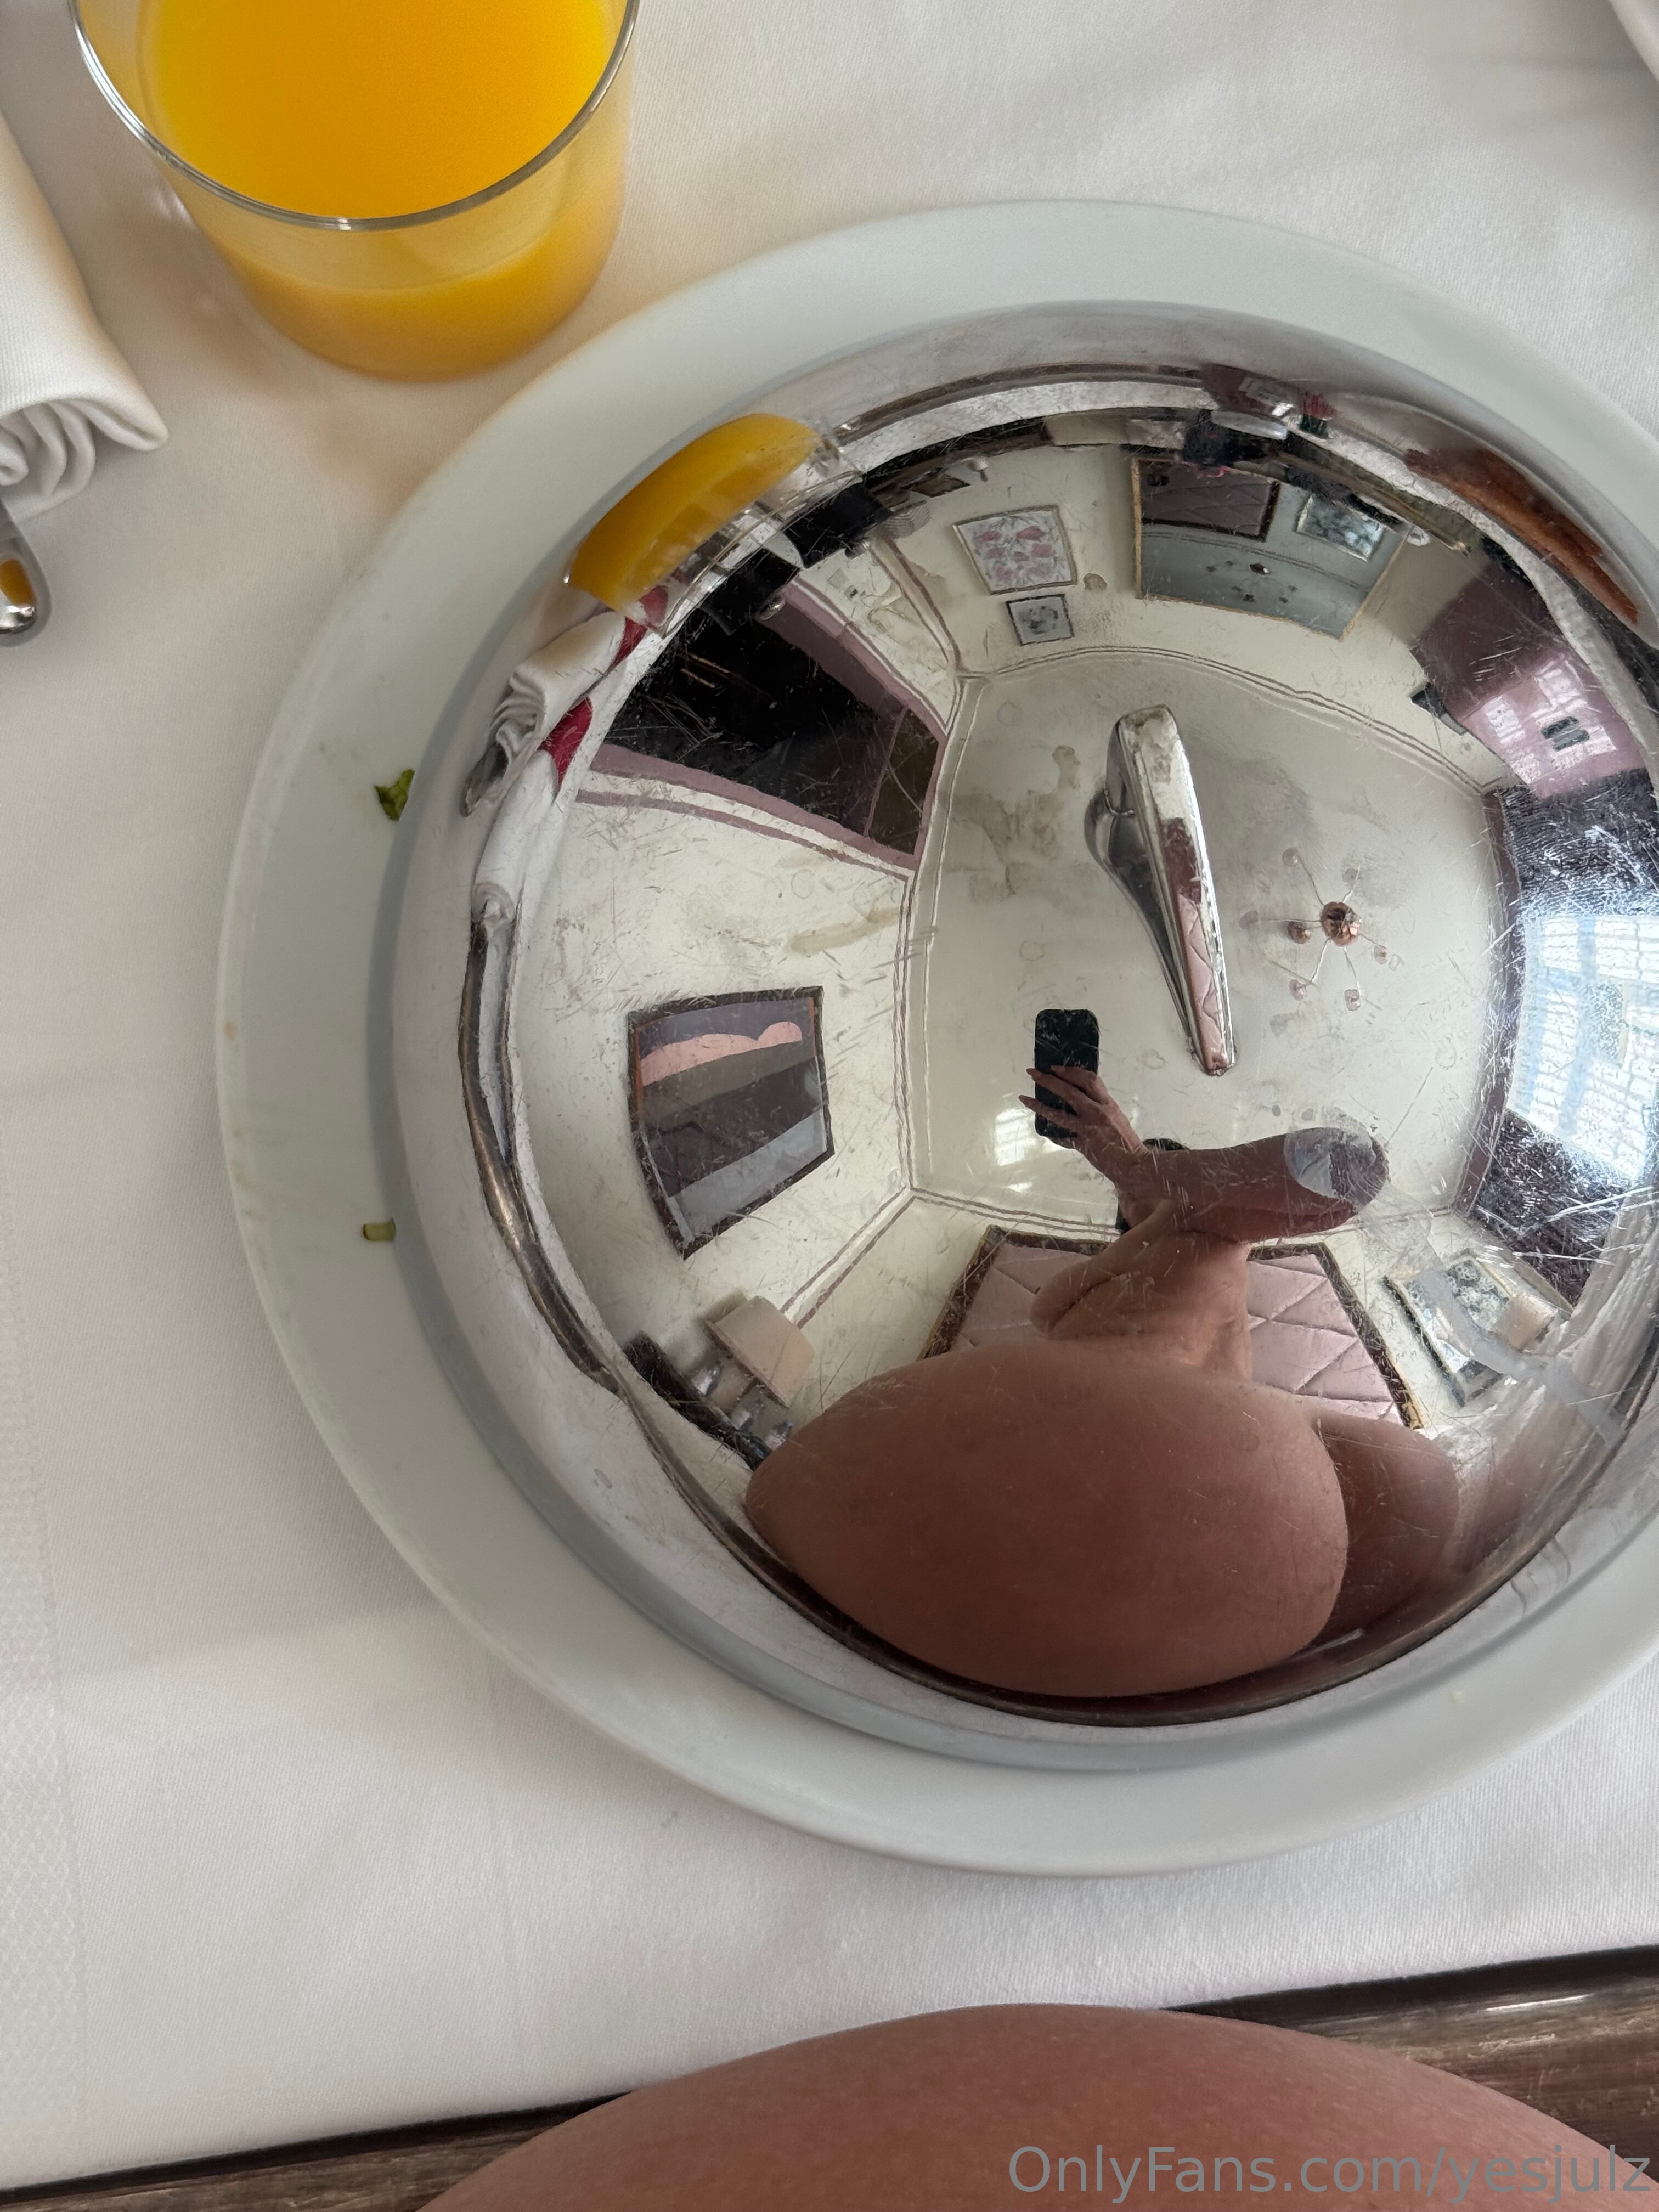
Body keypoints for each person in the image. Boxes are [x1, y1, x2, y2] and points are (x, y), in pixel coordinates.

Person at [746, 1070, 1458, 1701]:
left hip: (1174, 1496)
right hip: (1228, 1535)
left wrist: (1148, 1174)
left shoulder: (1207, 1232)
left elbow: (1352, 1164)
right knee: (1421, 1487)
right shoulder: (1188, 1245)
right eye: (1132, 1200)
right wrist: (1151, 1185)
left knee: (1417, 1487)